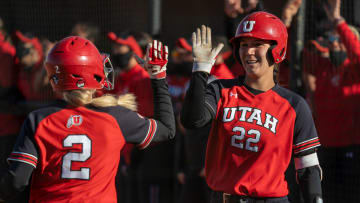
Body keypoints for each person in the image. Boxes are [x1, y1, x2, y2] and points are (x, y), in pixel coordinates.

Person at [0, 36, 175, 202]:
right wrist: (158, 78)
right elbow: (167, 129)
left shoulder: (39, 120)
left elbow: (17, 181)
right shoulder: (116, 117)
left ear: (55, 76)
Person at [181, 11, 322, 203]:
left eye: (257, 45)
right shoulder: (220, 90)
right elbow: (192, 120)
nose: (248, 51)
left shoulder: (294, 105)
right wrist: (200, 70)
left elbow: (308, 169)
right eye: (244, 45)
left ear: (277, 50)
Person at [302, 0, 360, 202]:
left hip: (352, 148)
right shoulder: (323, 67)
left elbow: (357, 55)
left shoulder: (355, 71)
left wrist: (339, 22)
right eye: (333, 39)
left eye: (340, 39)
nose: (335, 43)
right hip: (324, 149)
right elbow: (299, 54)